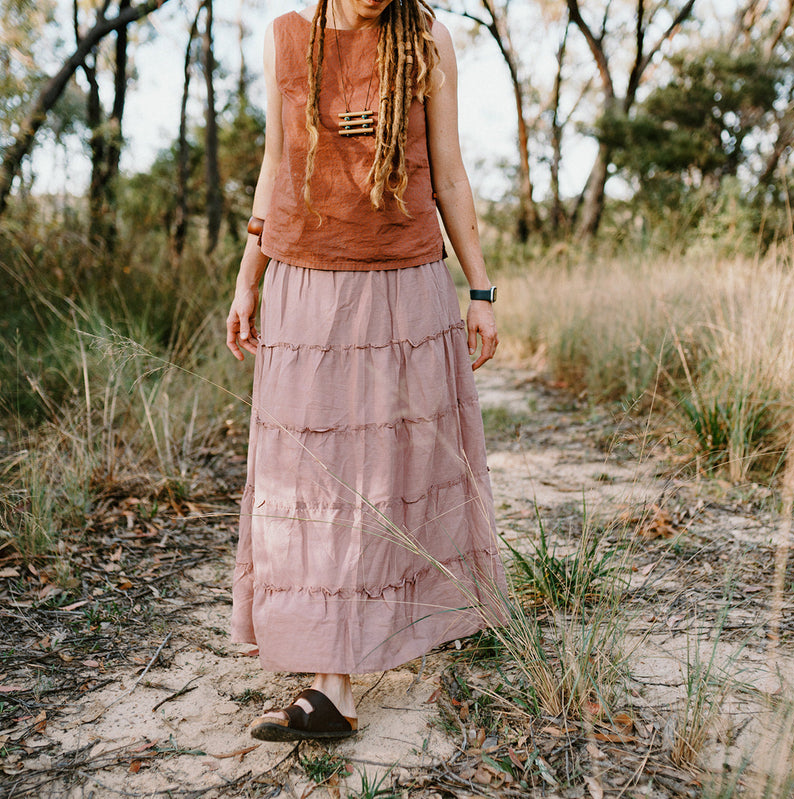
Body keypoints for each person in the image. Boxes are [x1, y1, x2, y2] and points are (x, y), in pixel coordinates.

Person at [225, 0, 507, 742]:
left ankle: (337, 681)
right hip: (305, 282)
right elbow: (277, 164)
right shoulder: (287, 38)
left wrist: (479, 290)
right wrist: (246, 279)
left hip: (404, 281)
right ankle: (333, 674)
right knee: (311, 472)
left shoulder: (428, 38)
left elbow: (447, 174)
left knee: (382, 470)